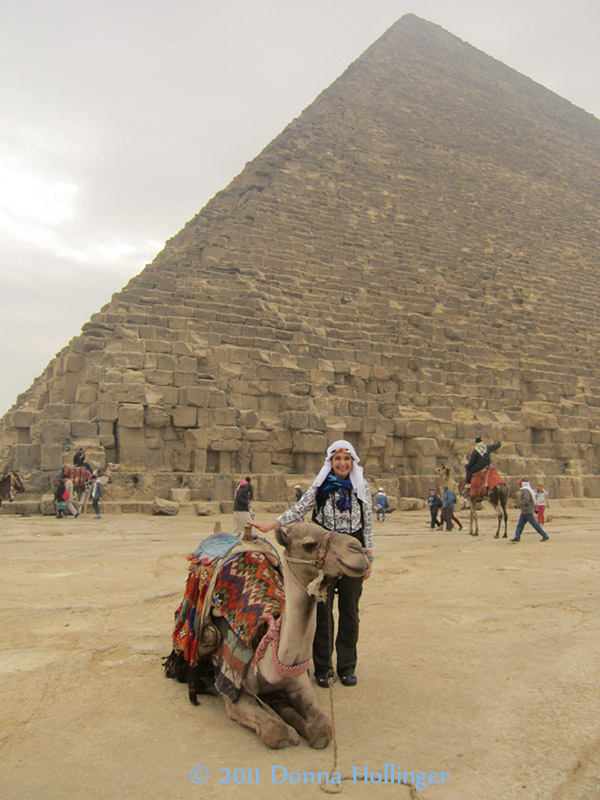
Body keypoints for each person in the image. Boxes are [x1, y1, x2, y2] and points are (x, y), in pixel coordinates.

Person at [251, 440, 373, 688]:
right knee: (322, 614)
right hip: (323, 557)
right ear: (331, 462)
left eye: (347, 459)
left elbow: (368, 521)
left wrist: (368, 556)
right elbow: (299, 509)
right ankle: (323, 668)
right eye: (338, 459)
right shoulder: (319, 488)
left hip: (350, 555)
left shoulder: (362, 487)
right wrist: (272, 525)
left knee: (350, 612)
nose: (342, 463)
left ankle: (347, 667)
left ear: (353, 462)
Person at [510, 477, 549, 543]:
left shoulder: (526, 491)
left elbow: (526, 500)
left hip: (527, 511)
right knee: (520, 525)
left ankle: (544, 535)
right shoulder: (527, 490)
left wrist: (519, 505)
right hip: (525, 511)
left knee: (535, 525)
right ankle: (517, 537)